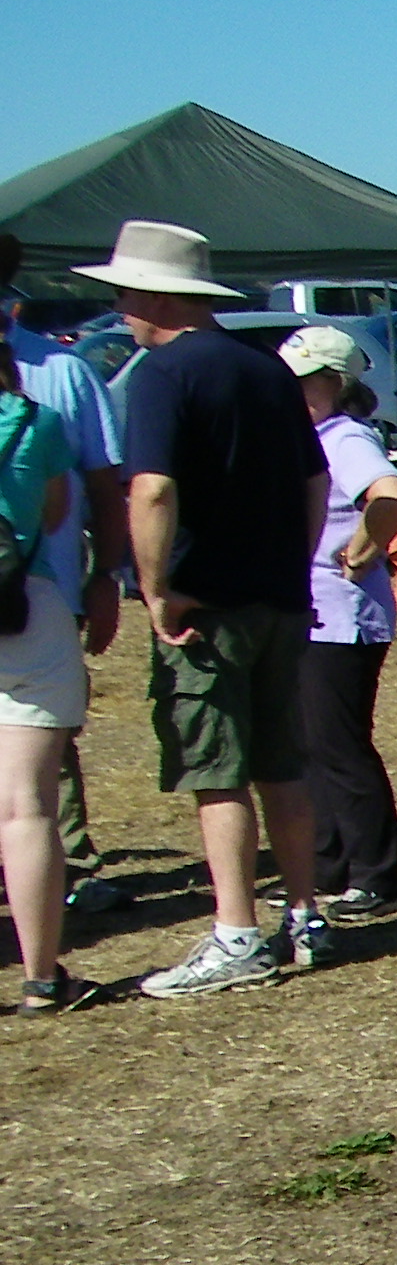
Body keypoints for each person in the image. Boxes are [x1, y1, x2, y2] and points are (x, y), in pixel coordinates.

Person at [98, 219, 331, 996]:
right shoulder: (268, 370)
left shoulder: (161, 374)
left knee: (217, 769)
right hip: (278, 597)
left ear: (160, 297)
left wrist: (155, 589)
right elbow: (315, 482)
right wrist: (293, 566)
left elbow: (152, 489)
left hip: (209, 606)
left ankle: (237, 932)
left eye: (127, 292)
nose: (121, 307)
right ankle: (306, 914)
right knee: (280, 762)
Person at [1, 237, 131, 916]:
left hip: (45, 592)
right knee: (38, 748)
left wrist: (107, 575)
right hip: (39, 591)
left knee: (46, 752)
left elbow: (106, 487)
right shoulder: (56, 377)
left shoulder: (61, 371)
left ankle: (68, 869)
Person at [285, 329, 397, 914]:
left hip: (341, 616)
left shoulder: (345, 437)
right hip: (312, 615)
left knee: (338, 745)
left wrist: (364, 548)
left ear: (335, 385)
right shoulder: (310, 438)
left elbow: (390, 494)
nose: (292, 393)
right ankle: (327, 863)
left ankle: (378, 874)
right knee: (309, 743)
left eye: (304, 382)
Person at [0, 342, 104, 1011]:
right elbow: (56, 513)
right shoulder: (35, 423)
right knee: (27, 805)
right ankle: (41, 978)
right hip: (22, 607)